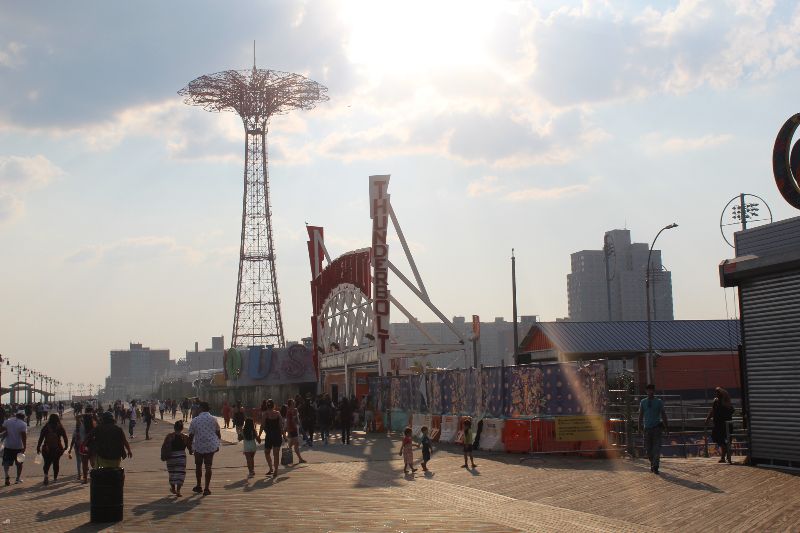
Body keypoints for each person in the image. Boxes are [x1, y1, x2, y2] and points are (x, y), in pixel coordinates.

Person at [188, 401, 220, 496]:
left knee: (198, 466)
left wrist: (190, 447)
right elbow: (218, 433)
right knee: (208, 466)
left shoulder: (195, 420)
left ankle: (199, 485)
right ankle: (207, 488)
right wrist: (217, 444)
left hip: (199, 445)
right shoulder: (214, 419)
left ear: (201, 408)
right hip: (211, 445)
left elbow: (191, 436)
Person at [638, 383, 669, 475]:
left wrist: (667, 427)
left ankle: (656, 466)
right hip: (647, 429)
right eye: (648, 390)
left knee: (656, 448)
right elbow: (640, 415)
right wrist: (639, 427)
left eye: (651, 390)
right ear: (646, 391)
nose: (650, 392)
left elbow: (663, 414)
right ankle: (652, 462)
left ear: (654, 391)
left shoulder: (659, 402)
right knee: (648, 449)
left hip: (656, 428)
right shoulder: (643, 402)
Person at [37, 413, 68, 485]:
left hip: (46, 448)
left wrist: (38, 447)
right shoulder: (60, 427)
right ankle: (55, 479)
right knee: (56, 463)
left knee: (46, 463)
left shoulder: (46, 427)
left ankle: (46, 476)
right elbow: (65, 437)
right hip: (57, 448)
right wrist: (66, 446)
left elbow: (41, 438)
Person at [705, 387, 735, 464]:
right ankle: (726, 453)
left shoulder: (726, 401)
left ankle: (724, 457)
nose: (717, 394)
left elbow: (731, 409)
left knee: (728, 440)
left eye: (719, 393)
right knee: (716, 437)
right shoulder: (715, 401)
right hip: (717, 424)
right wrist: (708, 418)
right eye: (716, 393)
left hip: (726, 424)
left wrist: (723, 396)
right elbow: (713, 410)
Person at [163, 420, 192, 497]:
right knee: (180, 473)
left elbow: (164, 447)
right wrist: (191, 451)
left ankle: (173, 489)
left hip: (171, 457)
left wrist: (164, 456)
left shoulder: (169, 436)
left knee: (172, 473)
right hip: (181, 457)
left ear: (174, 427)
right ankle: (178, 491)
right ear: (182, 428)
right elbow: (190, 447)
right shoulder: (185, 437)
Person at [1, 409, 27, 485]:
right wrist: (24, 447)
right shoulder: (23, 424)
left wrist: (5, 433)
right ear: (23, 417)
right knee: (19, 463)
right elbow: (24, 437)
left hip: (8, 446)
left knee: (6, 462)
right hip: (18, 446)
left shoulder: (7, 421)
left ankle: (6, 476)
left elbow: (2, 430)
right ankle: (17, 479)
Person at [258, 399, 283, 477]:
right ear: (274, 405)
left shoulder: (265, 414)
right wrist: (284, 436)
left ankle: (271, 468)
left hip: (269, 435)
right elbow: (281, 426)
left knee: (267, 452)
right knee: (276, 454)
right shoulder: (278, 413)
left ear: (267, 406)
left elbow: (262, 426)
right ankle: (275, 470)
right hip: (277, 435)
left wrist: (259, 435)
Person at [284, 399, 305, 465]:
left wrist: (299, 424)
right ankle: (299, 459)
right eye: (293, 403)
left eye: (294, 403)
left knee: (294, 444)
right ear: (290, 404)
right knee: (295, 443)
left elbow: (297, 419)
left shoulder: (295, 410)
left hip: (295, 428)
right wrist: (288, 431)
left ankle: (298, 458)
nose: (294, 404)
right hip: (291, 429)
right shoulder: (288, 412)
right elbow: (287, 422)